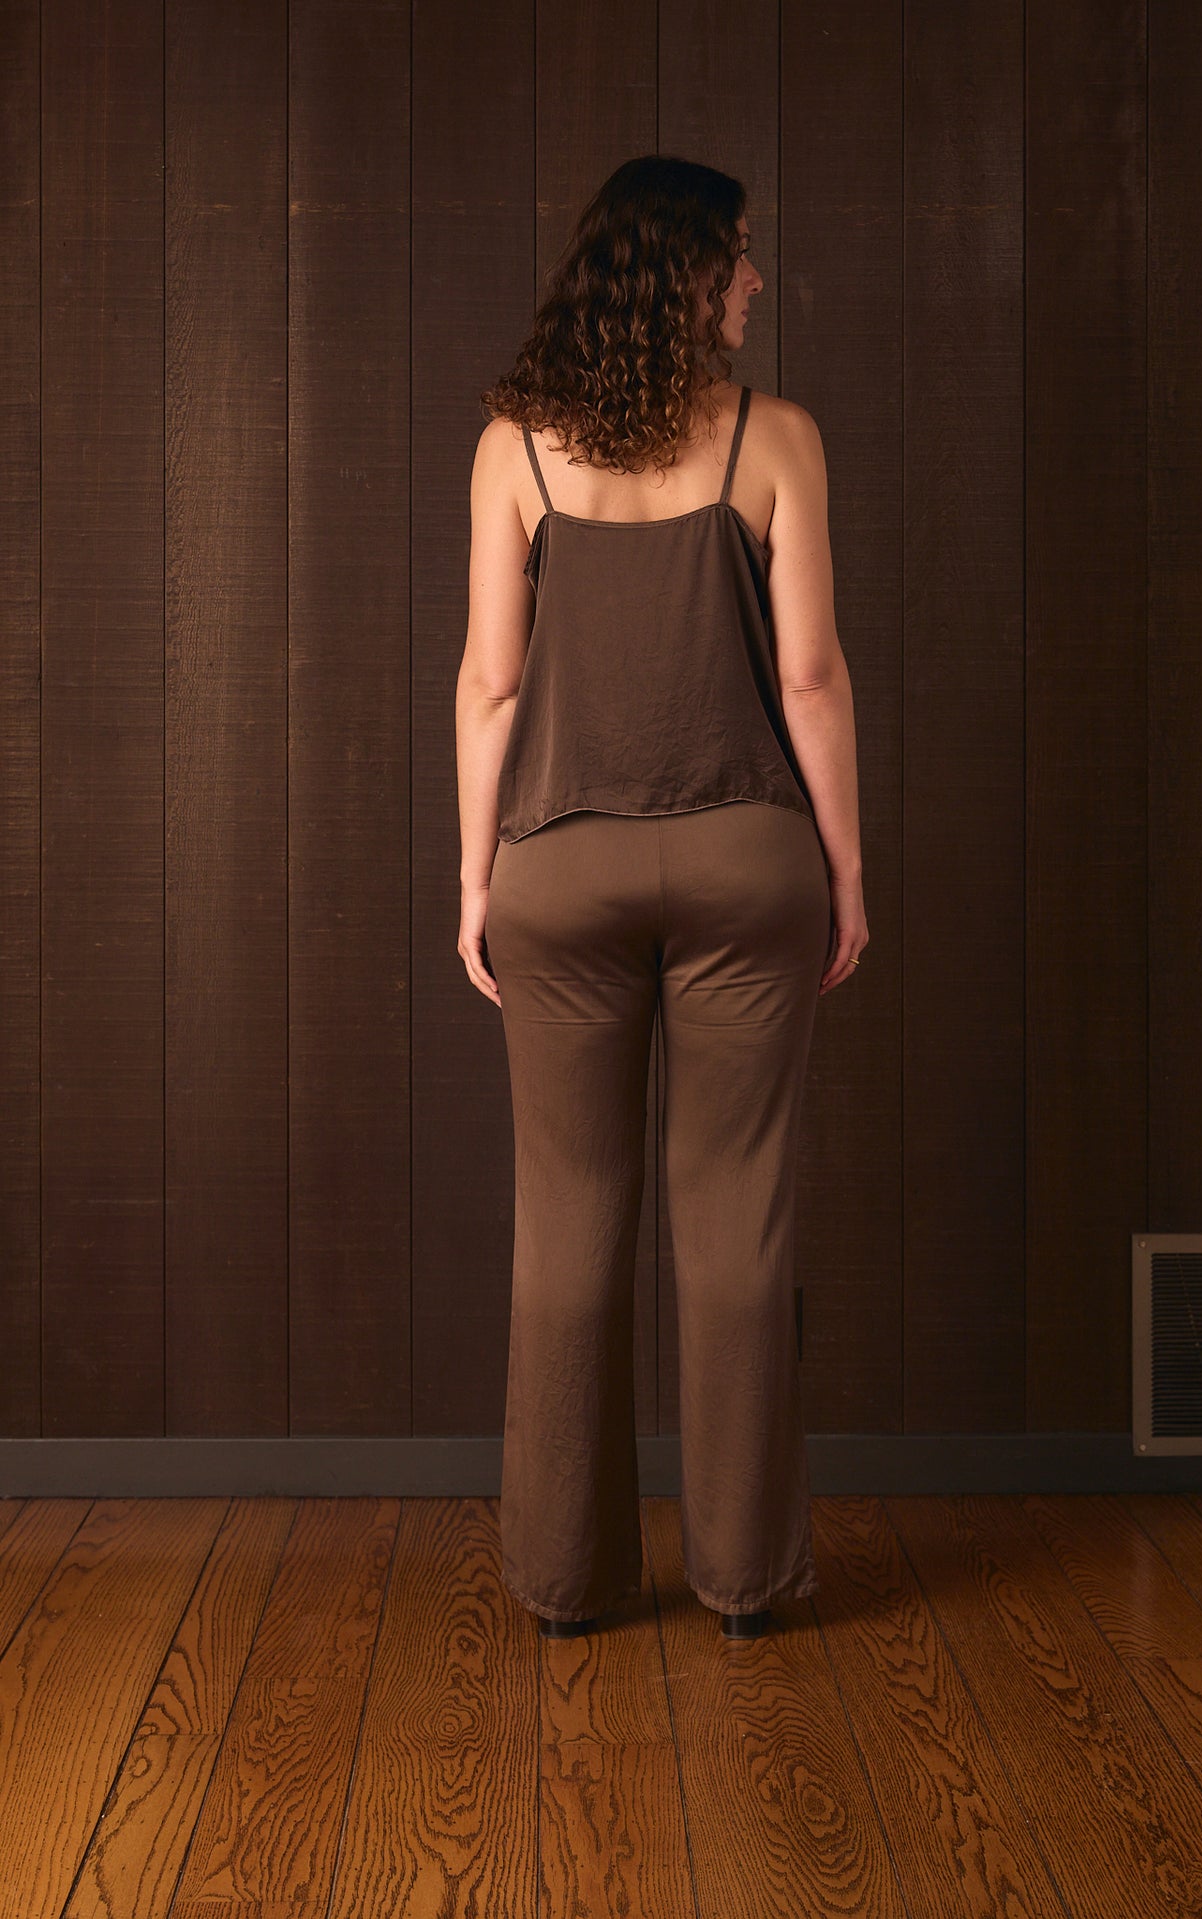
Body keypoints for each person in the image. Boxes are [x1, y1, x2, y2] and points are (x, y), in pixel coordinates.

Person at [455, 154, 867, 1644]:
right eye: (742, 257)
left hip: (555, 864)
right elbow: (810, 679)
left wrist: (472, 875)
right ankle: (747, 1580)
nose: (756, 280)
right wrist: (846, 869)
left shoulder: (517, 448)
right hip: (745, 855)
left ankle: (568, 1582)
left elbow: (493, 683)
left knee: (566, 1218)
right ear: (688, 273)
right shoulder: (777, 443)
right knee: (735, 1216)